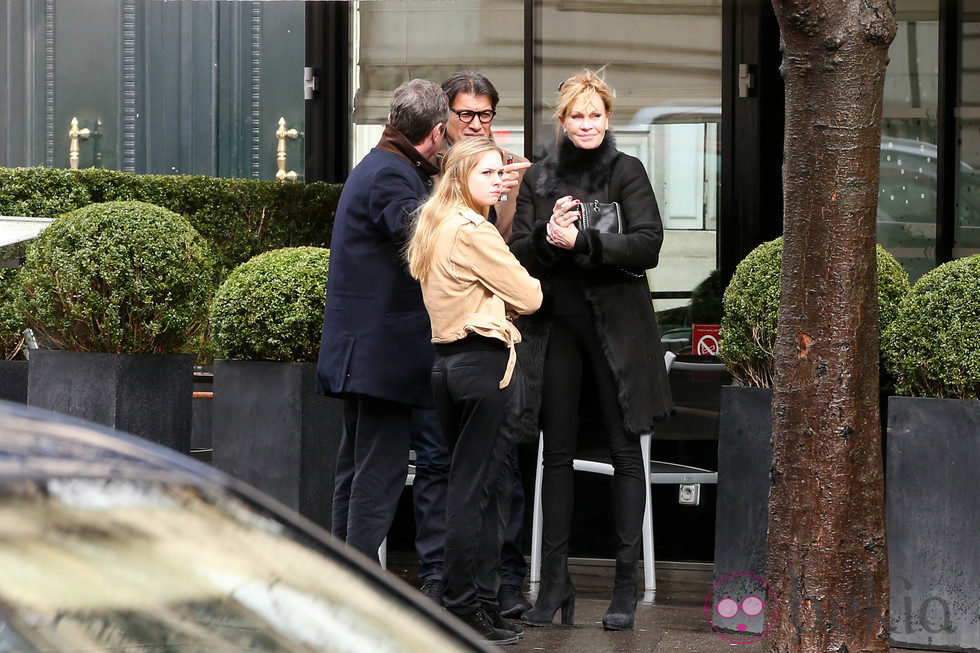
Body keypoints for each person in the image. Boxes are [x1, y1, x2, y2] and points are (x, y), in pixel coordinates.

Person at [508, 70, 674, 631]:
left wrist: (583, 241)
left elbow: (648, 244)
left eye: (595, 116)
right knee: (555, 456)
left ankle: (625, 584)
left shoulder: (627, 171)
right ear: (563, 120)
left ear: (608, 118)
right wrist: (545, 237)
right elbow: (517, 253)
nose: (586, 125)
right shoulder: (540, 175)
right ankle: (554, 583)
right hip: (557, 330)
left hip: (620, 332)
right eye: (576, 116)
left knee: (625, 453)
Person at [406, 137, 542, 644]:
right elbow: (530, 294)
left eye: (501, 173)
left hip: (448, 366)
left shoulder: (435, 223)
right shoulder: (471, 230)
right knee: (474, 492)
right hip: (482, 365)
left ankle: (479, 602)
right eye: (487, 173)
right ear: (461, 177)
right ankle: (465, 607)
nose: (497, 181)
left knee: (478, 491)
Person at [316, 79, 448, 562]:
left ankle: (341, 576)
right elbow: (419, 236)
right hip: (380, 362)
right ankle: (354, 584)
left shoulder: (379, 165)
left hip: (363, 357)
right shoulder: (392, 174)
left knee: (356, 469)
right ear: (436, 132)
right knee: (378, 472)